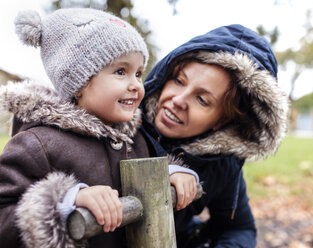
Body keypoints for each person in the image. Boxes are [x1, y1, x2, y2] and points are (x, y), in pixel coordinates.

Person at [0, 8, 198, 248]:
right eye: (120, 71)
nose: (136, 84)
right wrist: (67, 202)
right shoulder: (38, 143)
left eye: (138, 73)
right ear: (79, 82)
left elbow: (145, 177)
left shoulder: (134, 136)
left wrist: (172, 173)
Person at [140, 24, 289, 247]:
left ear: (221, 121)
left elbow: (238, 227)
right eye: (179, 81)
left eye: (202, 100)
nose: (178, 100)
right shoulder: (118, 126)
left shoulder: (221, 163)